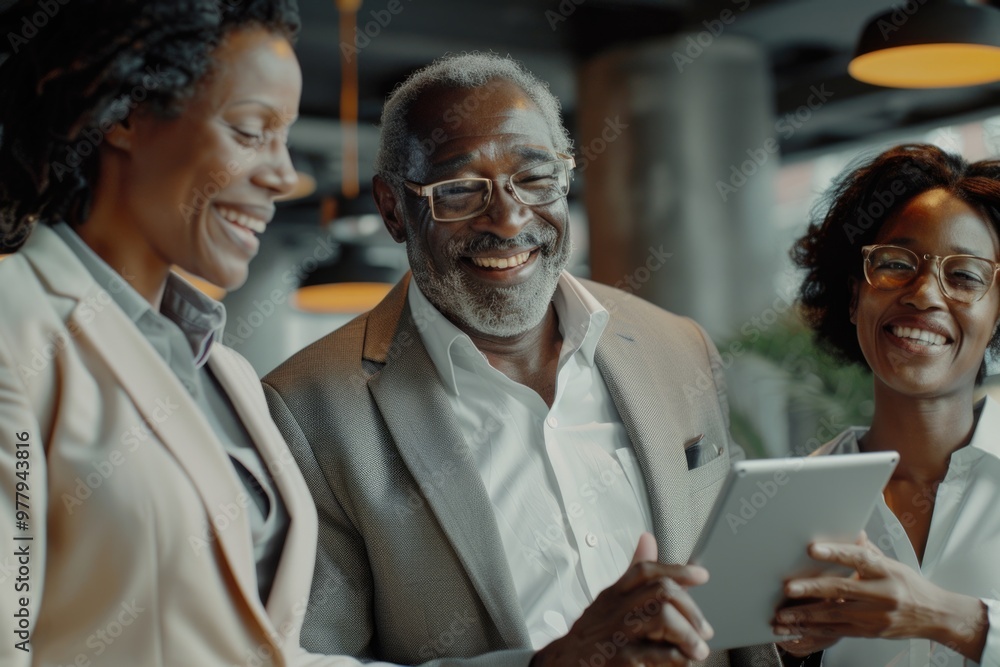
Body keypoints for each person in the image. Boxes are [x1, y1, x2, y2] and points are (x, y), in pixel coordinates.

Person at [263, 52, 780, 667]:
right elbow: (304, 659)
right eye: (460, 190)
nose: (508, 219)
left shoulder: (675, 345)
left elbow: (737, 601)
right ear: (394, 209)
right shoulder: (307, 410)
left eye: (535, 180)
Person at [0, 2, 387, 666]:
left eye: (286, 136)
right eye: (249, 130)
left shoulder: (227, 374)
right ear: (124, 115)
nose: (284, 173)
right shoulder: (16, 324)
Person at [776, 143, 1000, 667]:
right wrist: (787, 652)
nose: (924, 295)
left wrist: (946, 618)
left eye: (965, 276)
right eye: (896, 263)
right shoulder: (790, 502)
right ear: (854, 297)